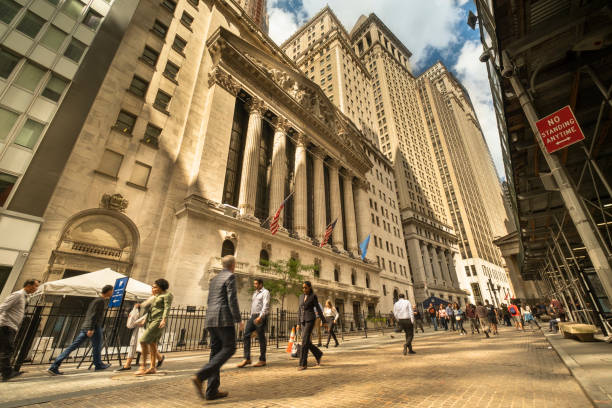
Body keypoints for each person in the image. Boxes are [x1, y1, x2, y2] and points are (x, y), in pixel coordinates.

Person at [192, 255, 244, 401]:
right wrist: (238, 320)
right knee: (230, 348)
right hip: (223, 318)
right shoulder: (231, 276)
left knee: (215, 353)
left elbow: (209, 300)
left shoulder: (214, 279)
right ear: (233, 265)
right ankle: (201, 376)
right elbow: (231, 299)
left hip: (211, 318)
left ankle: (211, 391)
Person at [48, 285, 113, 375]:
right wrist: (91, 328)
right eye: (112, 291)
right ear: (108, 291)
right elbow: (94, 315)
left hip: (87, 326)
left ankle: (54, 366)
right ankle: (98, 365)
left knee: (74, 346)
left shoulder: (96, 300)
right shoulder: (100, 301)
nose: (112, 293)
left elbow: (90, 314)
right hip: (93, 327)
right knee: (96, 346)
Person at [0, 279, 40, 381]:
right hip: (6, 325)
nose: (36, 288)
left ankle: (6, 371)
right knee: (8, 349)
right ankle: (7, 373)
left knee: (5, 349)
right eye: (35, 286)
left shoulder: (25, 297)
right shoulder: (17, 295)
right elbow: (3, 307)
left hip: (11, 326)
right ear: (28, 285)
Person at [134, 279, 173, 375]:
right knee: (152, 343)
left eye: (155, 287)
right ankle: (152, 368)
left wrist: (164, 319)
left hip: (158, 321)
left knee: (143, 341)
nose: (153, 288)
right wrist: (145, 319)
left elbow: (167, 308)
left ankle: (142, 367)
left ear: (161, 287)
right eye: (153, 287)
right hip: (151, 320)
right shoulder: (156, 296)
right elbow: (151, 309)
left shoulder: (167, 295)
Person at [237, 278, 269, 368]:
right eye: (254, 284)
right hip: (253, 316)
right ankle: (247, 358)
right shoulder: (255, 293)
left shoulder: (265, 292)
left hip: (260, 316)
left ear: (261, 284)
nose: (255, 285)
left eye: (256, 284)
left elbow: (266, 305)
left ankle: (262, 360)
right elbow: (253, 306)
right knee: (246, 334)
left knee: (261, 338)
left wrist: (260, 316)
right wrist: (251, 317)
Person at [296, 281, 325, 370]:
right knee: (307, 341)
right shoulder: (301, 297)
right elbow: (299, 310)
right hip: (303, 321)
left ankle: (303, 364)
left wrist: (324, 321)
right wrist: (298, 323)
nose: (304, 289)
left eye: (306, 288)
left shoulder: (313, 296)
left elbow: (319, 309)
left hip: (310, 319)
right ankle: (318, 353)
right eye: (303, 288)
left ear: (309, 288)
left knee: (304, 340)